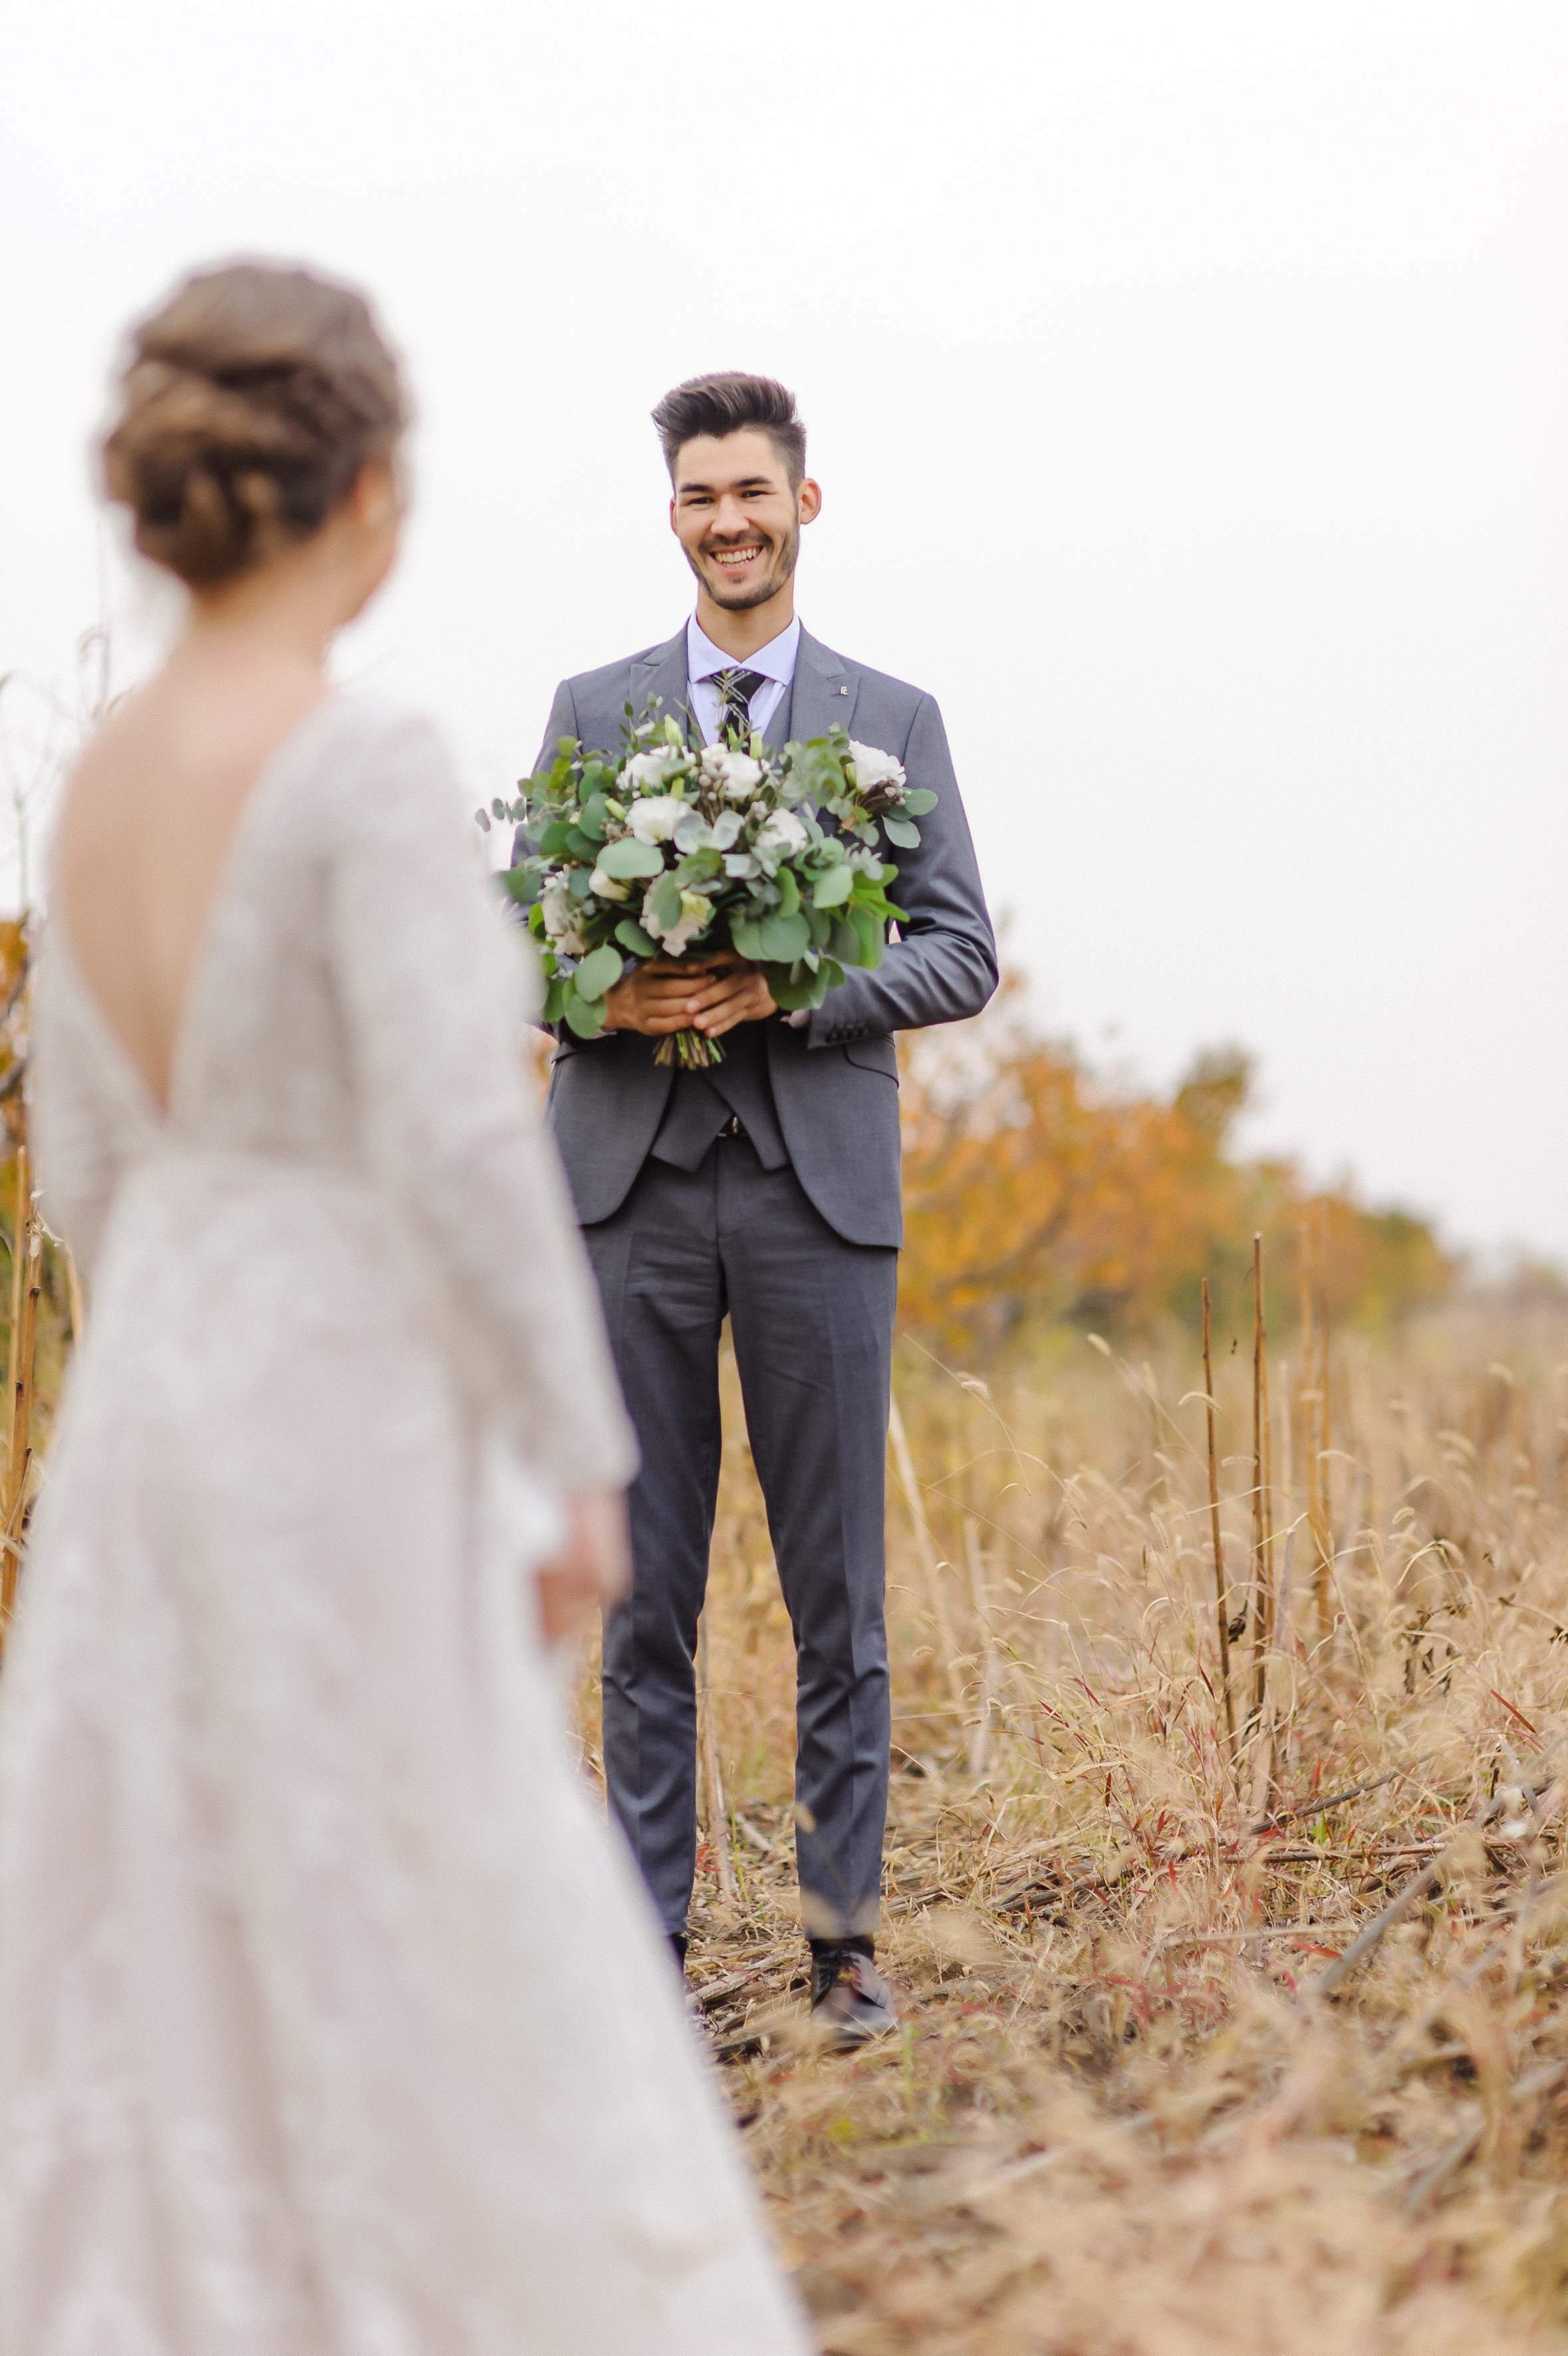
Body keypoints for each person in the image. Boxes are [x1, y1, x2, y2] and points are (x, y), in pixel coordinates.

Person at [0, 265, 807, 2354]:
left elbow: (83, 1174)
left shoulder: (96, 791)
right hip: (342, 1404)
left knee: (177, 1916)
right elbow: (459, 1148)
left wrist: (183, 1320)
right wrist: (575, 1451)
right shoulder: (356, 765)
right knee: (424, 1873)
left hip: (153, 1403)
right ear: (364, 491)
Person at [529, 372, 997, 2043]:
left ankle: (841, 1942)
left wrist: (800, 989)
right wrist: (604, 996)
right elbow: (518, 941)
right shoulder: (592, 709)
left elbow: (963, 949)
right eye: (699, 495)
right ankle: (644, 1945)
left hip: (818, 1196)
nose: (727, 520)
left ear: (805, 502)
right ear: (672, 514)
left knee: (836, 1595)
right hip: (629, 1192)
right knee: (642, 1590)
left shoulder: (894, 718)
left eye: (752, 491)